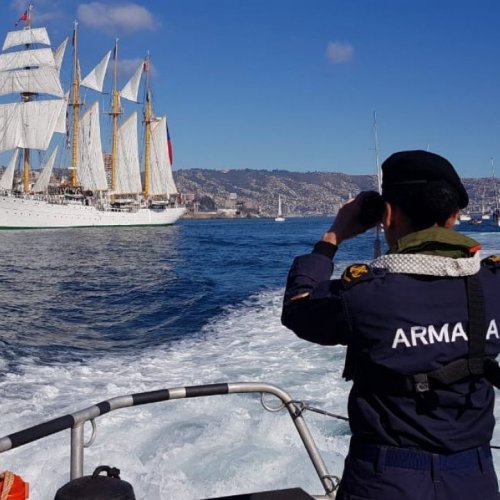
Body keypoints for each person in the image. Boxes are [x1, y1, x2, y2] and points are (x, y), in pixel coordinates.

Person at [281, 150, 500, 500]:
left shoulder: (365, 296)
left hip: (386, 481)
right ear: (455, 216)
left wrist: (333, 236)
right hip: (475, 480)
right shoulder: (493, 285)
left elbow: (298, 307)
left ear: (387, 215)